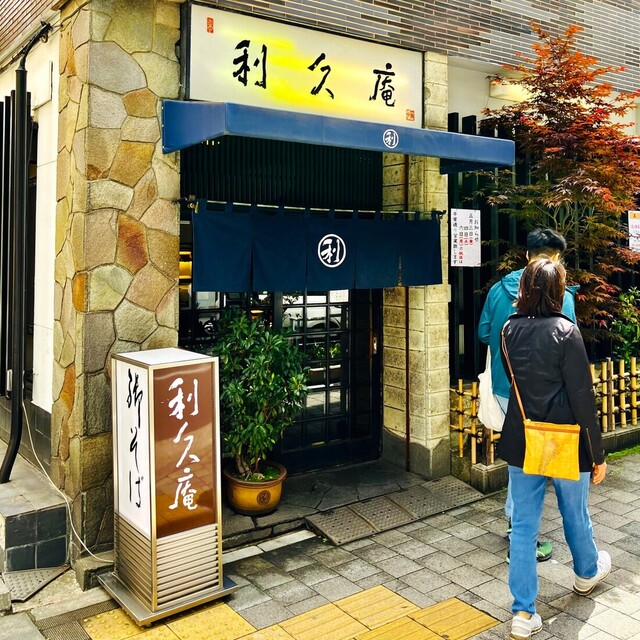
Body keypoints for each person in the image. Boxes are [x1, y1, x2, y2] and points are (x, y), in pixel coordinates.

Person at [499, 259, 609, 640]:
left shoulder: (508, 330)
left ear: (525, 289)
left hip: (524, 438)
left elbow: (515, 379)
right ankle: (586, 572)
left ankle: (523, 612)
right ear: (557, 291)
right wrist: (597, 454)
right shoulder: (566, 332)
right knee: (574, 512)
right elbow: (583, 398)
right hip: (565, 439)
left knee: (523, 527)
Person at [478, 228, 578, 562]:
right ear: (557, 258)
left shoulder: (497, 290)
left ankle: (517, 527)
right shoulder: (561, 294)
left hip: (506, 388)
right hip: (545, 394)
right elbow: (570, 345)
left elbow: (483, 333)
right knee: (537, 463)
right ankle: (523, 539)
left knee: (521, 461)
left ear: (526, 255)